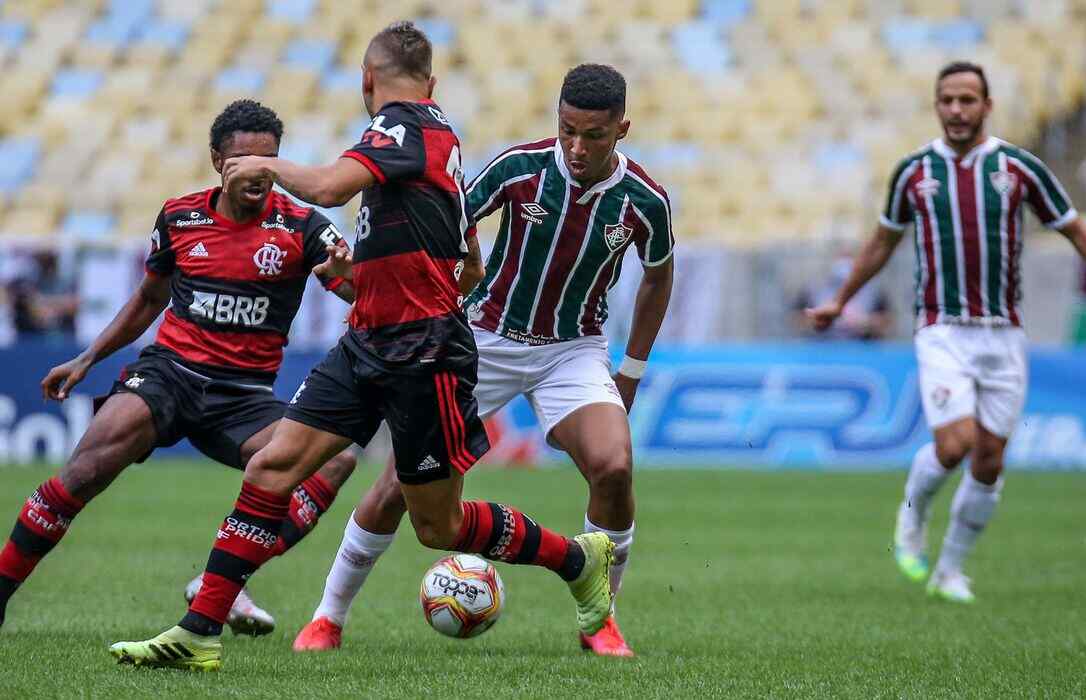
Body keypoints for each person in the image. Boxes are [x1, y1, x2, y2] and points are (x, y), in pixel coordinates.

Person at [109, 22, 613, 672]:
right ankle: (199, 631)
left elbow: (324, 189)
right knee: (273, 469)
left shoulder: (403, 128)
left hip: (422, 354)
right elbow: (472, 269)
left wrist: (262, 163)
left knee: (438, 526)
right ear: (430, 82)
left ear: (368, 82)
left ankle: (576, 559)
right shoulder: (437, 141)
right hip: (370, 342)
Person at [292, 63, 673, 658]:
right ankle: (327, 617)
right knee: (399, 485)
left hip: (572, 351)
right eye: (567, 129)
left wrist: (631, 370)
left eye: (593, 135)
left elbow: (658, 275)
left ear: (621, 129)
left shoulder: (644, 201)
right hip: (482, 339)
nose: (576, 146)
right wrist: (373, 273)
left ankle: (600, 617)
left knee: (614, 468)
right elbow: (436, 223)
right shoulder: (518, 168)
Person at [0, 99, 359, 634]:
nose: (259, 173)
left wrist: (350, 276)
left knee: (336, 461)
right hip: (168, 375)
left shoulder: (304, 228)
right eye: (245, 161)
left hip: (244, 398)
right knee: (82, 472)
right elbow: (148, 299)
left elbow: (355, 291)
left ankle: (226, 586)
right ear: (218, 160)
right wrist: (88, 357)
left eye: (271, 162)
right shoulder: (179, 216)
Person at [806, 61, 1086, 603]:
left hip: (1004, 334)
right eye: (947, 100)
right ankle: (913, 515)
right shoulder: (914, 173)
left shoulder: (1019, 169)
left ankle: (950, 569)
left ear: (986, 106)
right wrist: (840, 300)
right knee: (956, 444)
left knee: (990, 461)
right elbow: (881, 243)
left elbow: (1075, 230)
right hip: (943, 327)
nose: (956, 110)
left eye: (967, 100)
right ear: (936, 105)